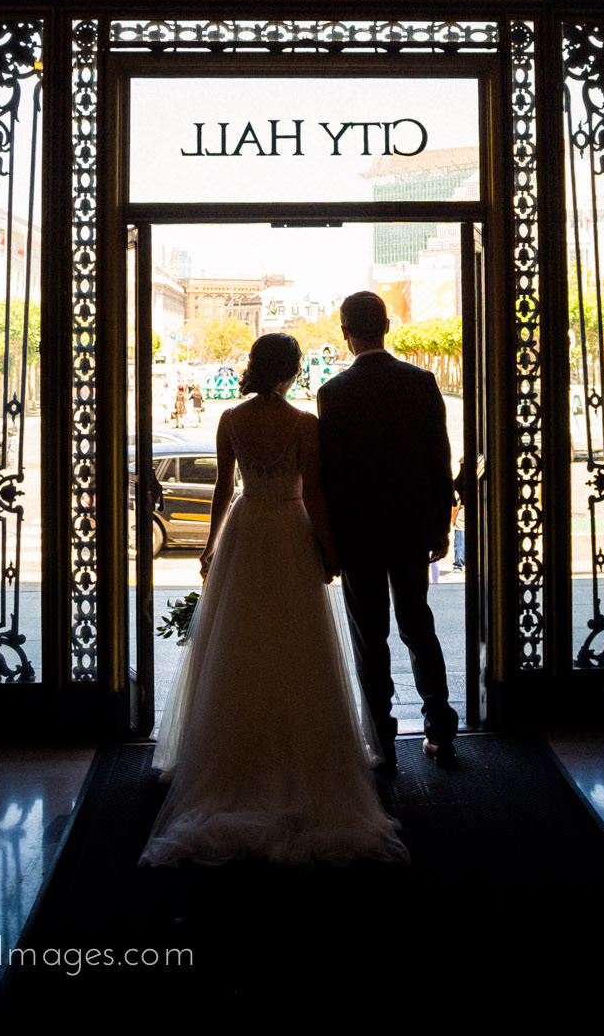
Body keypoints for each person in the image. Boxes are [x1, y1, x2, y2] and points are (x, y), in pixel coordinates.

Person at [140, 331, 407, 867]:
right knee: (298, 641)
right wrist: (329, 548)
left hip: (245, 529)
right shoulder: (304, 423)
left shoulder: (230, 419)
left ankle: (230, 755)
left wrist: (212, 548)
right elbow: (313, 491)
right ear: (291, 371)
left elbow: (222, 488)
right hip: (288, 528)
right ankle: (301, 750)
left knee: (237, 643)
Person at [317, 291, 459, 771]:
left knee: (369, 637)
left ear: (344, 332)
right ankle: (440, 727)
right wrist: (441, 528)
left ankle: (380, 737)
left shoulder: (333, 393)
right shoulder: (421, 382)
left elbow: (330, 478)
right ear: (387, 327)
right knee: (418, 625)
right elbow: (438, 460)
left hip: (358, 535)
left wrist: (329, 543)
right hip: (408, 530)